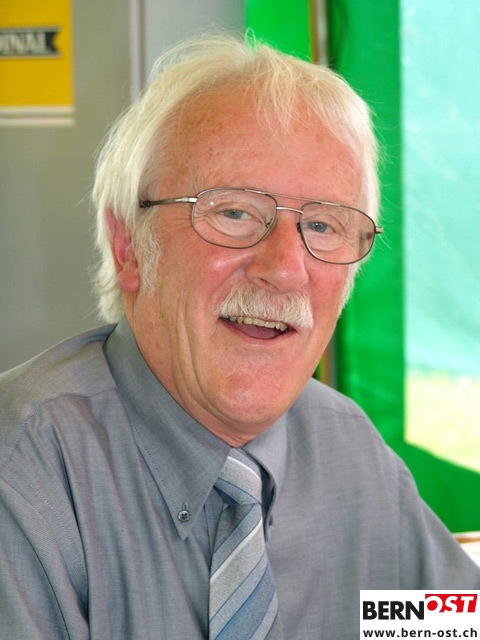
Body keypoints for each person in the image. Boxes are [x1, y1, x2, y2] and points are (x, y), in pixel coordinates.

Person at [0, 33, 478, 640]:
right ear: (129, 247)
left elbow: (449, 623)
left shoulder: (345, 446)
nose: (286, 268)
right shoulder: (25, 476)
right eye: (233, 212)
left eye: (323, 225)